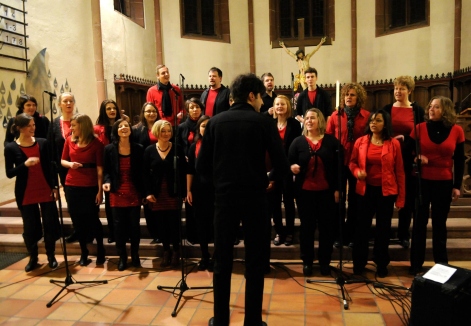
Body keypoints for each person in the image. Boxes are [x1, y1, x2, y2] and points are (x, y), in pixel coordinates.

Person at [196, 73, 289, 326]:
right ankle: (252, 321)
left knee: (222, 261)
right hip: (255, 199)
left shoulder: (214, 122)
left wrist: (220, 184)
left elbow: (201, 167)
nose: (262, 103)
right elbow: (282, 166)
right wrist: (267, 177)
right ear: (251, 95)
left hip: (224, 199)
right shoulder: (263, 123)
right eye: (260, 97)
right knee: (256, 261)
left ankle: (221, 320)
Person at [409, 96, 466, 275]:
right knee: (419, 223)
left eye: (436, 107)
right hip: (422, 181)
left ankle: (441, 264)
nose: (431, 110)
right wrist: (416, 158)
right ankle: (416, 263)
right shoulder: (419, 128)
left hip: (444, 182)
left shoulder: (457, 130)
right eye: (430, 107)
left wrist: (457, 186)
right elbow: (406, 152)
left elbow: (459, 159)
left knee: (440, 225)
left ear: (446, 110)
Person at [349, 109, 405, 277]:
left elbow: (400, 171)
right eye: (372, 120)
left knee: (383, 229)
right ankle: (359, 263)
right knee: (362, 229)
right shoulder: (360, 141)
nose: (373, 123)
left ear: (385, 124)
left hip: (386, 192)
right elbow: (351, 162)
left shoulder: (393, 144)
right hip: (365, 191)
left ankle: (381, 262)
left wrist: (401, 198)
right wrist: (357, 171)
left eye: (378, 120)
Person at [4, 113, 60, 272]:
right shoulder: (11, 147)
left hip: (45, 188)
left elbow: (50, 167)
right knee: (30, 228)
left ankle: (51, 256)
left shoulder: (42, 143)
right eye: (29, 126)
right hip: (26, 191)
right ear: (20, 128)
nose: (33, 128)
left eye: (34, 125)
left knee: (49, 224)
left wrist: (55, 186)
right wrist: (25, 164)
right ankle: (33, 257)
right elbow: (9, 172)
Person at [288, 108, 340, 276]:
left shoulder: (332, 142)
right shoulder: (298, 142)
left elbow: (339, 169)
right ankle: (307, 261)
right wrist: (292, 167)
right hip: (305, 192)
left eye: (313, 118)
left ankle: (325, 261)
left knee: (327, 229)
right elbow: (288, 163)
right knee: (307, 228)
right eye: (307, 118)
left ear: (320, 121)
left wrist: (338, 189)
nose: (309, 121)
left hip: (326, 192)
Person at [382, 76, 425, 249]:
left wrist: (406, 139)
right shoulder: (386, 109)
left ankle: (403, 234)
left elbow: (422, 133)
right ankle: (383, 233)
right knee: (386, 195)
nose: (398, 92)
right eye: (396, 89)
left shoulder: (417, 110)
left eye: (402, 89)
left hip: (408, 157)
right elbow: (381, 129)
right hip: (389, 156)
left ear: (410, 90)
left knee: (407, 197)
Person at [326, 82, 370, 248]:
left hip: (358, 163)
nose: (349, 97)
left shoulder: (366, 116)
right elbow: (328, 138)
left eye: (352, 95)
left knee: (355, 199)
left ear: (358, 97)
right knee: (338, 199)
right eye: (346, 95)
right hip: (339, 162)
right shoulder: (336, 115)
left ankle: (351, 233)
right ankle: (338, 234)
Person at [61, 113, 105, 266]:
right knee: (77, 220)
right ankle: (83, 252)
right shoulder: (69, 141)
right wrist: (70, 165)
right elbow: (63, 160)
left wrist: (100, 191)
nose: (71, 128)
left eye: (74, 125)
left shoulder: (97, 144)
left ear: (83, 126)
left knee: (93, 219)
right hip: (72, 185)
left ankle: (100, 250)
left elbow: (100, 170)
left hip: (90, 186)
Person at [143, 120, 186, 268]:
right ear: (157, 132)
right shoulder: (149, 150)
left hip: (173, 193)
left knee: (174, 224)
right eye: (163, 131)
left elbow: (183, 172)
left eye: (169, 131)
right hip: (157, 194)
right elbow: (145, 175)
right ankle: (166, 250)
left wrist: (185, 192)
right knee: (161, 224)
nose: (167, 134)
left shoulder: (177, 149)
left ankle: (176, 251)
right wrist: (147, 192)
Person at [103, 119, 144, 271]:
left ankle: (135, 254)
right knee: (119, 228)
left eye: (126, 125)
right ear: (116, 131)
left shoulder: (138, 149)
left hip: (134, 192)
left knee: (134, 226)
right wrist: (106, 182)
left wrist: (145, 193)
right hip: (116, 193)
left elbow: (143, 173)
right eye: (120, 126)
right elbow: (106, 171)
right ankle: (122, 257)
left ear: (131, 129)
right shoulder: (108, 149)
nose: (123, 128)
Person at [270, 95, 301, 246]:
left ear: (288, 106)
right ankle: (279, 232)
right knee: (274, 202)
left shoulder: (294, 124)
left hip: (288, 168)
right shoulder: (269, 123)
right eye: (277, 104)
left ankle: (289, 232)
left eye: (283, 104)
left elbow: (295, 148)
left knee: (288, 201)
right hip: (274, 168)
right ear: (273, 107)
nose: (280, 106)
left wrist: (289, 165)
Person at [186, 115, 214, 270]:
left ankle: (217, 256)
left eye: (208, 125)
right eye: (203, 125)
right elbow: (190, 170)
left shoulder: (219, 144)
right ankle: (204, 256)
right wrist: (188, 190)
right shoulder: (193, 146)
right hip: (199, 188)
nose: (206, 128)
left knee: (216, 224)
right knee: (202, 224)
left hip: (216, 189)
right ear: (198, 129)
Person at [50, 92, 77, 243]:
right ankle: (77, 229)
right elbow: (51, 150)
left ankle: (89, 228)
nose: (68, 104)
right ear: (59, 104)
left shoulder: (80, 120)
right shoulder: (54, 124)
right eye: (65, 101)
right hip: (64, 168)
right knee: (71, 199)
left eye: (71, 101)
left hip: (82, 166)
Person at [132, 102, 161, 244]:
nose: (151, 114)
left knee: (161, 201)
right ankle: (154, 232)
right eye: (148, 111)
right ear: (143, 113)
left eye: (154, 111)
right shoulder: (136, 130)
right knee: (149, 204)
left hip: (160, 170)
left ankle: (164, 230)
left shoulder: (162, 126)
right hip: (144, 170)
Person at [177, 98, 205, 244]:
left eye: (197, 107)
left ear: (201, 109)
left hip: (203, 169)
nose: (195, 110)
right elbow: (179, 146)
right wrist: (185, 157)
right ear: (187, 110)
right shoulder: (182, 127)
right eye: (192, 107)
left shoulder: (207, 124)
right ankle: (192, 234)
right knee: (190, 203)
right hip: (187, 167)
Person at [94, 99, 122, 244]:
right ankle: (113, 232)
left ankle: (124, 231)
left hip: (122, 165)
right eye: (108, 109)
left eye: (114, 108)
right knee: (110, 203)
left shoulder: (122, 125)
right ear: (103, 111)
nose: (112, 111)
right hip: (107, 168)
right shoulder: (98, 129)